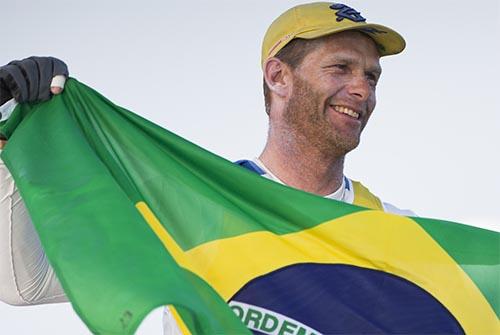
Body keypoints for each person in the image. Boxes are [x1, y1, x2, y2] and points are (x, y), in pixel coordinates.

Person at [0, 2, 414, 333]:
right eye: (340, 68)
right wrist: (5, 138)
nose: (362, 88)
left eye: (372, 76)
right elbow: (25, 283)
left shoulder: (400, 235)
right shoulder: (186, 211)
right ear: (278, 76)